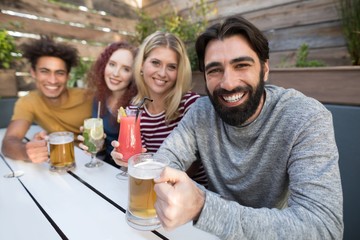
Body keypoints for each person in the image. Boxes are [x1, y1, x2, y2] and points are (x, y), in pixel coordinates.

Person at [151, 16, 343, 239]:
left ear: (265, 69)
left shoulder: (305, 117)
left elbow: (325, 228)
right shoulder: (201, 112)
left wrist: (203, 206)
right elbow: (163, 162)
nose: (229, 83)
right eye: (214, 70)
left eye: (241, 65)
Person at [111, 31, 207, 186]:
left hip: (188, 192)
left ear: (179, 72)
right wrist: (124, 160)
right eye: (155, 63)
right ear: (141, 65)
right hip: (151, 189)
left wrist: (147, 174)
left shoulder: (191, 105)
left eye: (171, 67)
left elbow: (193, 164)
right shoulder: (134, 110)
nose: (162, 73)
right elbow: (138, 159)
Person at [1, 36, 92, 163]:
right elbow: (9, 142)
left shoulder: (88, 97)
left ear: (67, 76)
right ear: (33, 72)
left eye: (59, 73)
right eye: (45, 71)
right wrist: (26, 151)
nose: (52, 80)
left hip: (97, 162)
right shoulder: (28, 102)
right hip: (63, 162)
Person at [79, 41, 137, 167]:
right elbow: (103, 149)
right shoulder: (99, 98)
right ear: (104, 65)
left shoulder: (136, 106)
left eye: (126, 69)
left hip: (126, 170)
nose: (115, 73)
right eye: (112, 64)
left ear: (134, 75)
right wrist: (95, 145)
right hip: (104, 167)